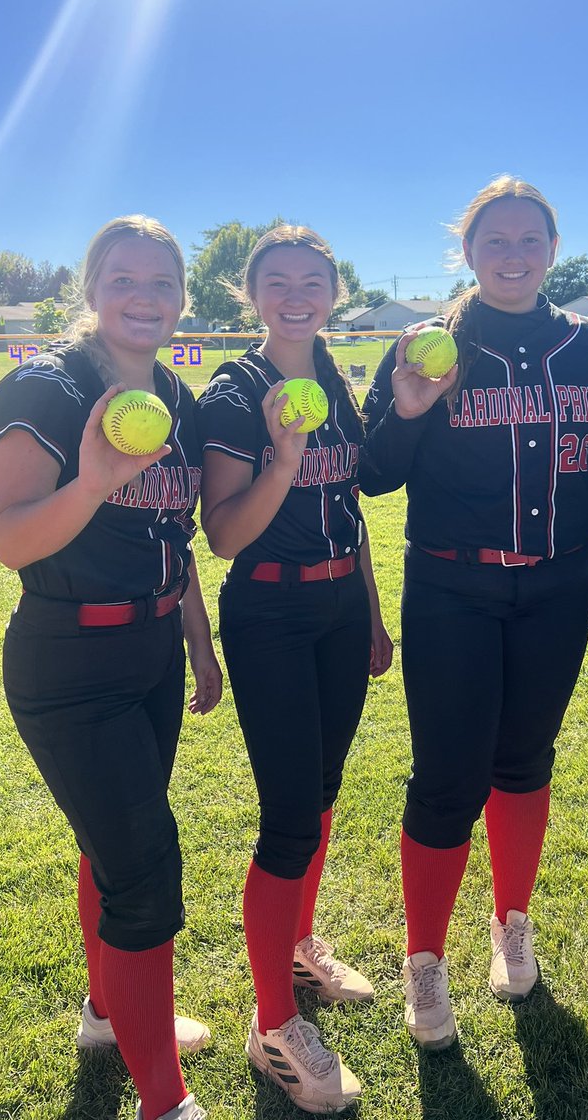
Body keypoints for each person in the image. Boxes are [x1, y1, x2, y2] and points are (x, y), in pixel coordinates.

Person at [361, 175, 588, 1047]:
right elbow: (372, 473)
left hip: (558, 584)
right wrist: (406, 412)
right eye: (495, 241)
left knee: (525, 760)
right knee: (447, 778)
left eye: (529, 239)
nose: (513, 255)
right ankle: (425, 962)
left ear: (553, 249)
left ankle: (510, 923)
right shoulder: (425, 344)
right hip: (451, 587)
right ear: (468, 252)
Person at [0, 216, 223, 1120]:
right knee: (147, 870)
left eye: (163, 282)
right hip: (69, 655)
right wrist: (89, 482)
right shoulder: (43, 388)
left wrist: (198, 640)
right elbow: (10, 541)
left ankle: (103, 1012)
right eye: (125, 278)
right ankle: (165, 1101)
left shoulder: (176, 399)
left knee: (113, 847)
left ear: (182, 299)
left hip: (154, 648)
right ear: (91, 288)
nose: (145, 296)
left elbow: (179, 537)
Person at [195, 225, 392, 1114]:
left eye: (314, 279)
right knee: (285, 819)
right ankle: (271, 1022)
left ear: (335, 290)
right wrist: (284, 459)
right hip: (271, 609)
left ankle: (300, 950)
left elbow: (348, 506)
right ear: (253, 294)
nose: (297, 294)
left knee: (320, 795)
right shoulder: (235, 389)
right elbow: (227, 534)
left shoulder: (337, 381)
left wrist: (375, 611)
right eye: (278, 281)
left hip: (342, 604)